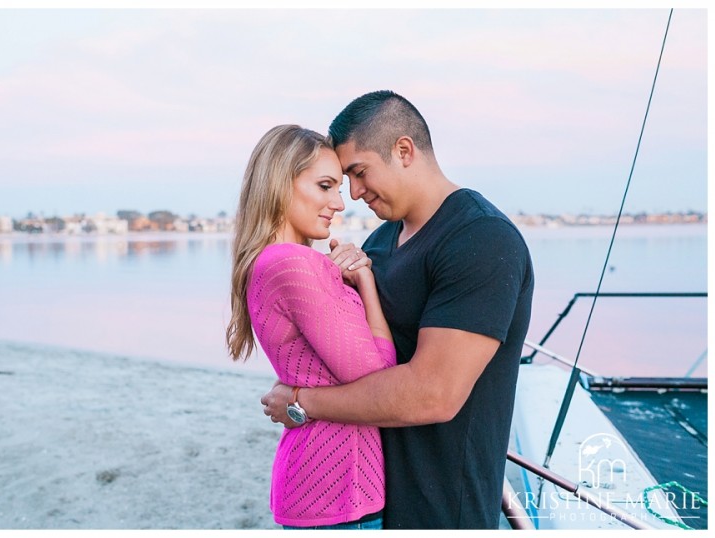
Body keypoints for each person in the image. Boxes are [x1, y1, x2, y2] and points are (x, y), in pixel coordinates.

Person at [260, 91, 535, 529]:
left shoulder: (481, 240)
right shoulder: (379, 243)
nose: (353, 192)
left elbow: (434, 394)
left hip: (443, 510)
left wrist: (301, 402)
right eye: (343, 179)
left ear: (404, 150)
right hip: (367, 502)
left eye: (359, 172)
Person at [226, 124, 397, 529]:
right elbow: (379, 378)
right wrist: (366, 283)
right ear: (280, 184)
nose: (339, 203)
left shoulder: (268, 263)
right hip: (337, 491)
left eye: (338, 188)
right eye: (325, 186)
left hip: (324, 485)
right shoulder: (293, 263)